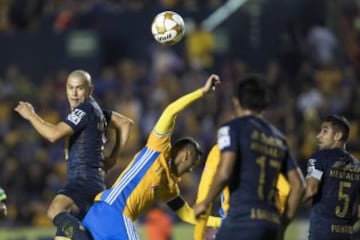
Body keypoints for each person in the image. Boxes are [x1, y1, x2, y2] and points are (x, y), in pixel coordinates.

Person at [77, 74, 222, 240]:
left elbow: (188, 215)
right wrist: (201, 92)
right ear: (187, 155)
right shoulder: (158, 148)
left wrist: (222, 222)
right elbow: (171, 111)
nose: (190, 171)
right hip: (114, 212)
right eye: (192, 165)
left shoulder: (169, 186)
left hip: (102, 214)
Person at [14, 69, 134, 239]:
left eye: (79, 88)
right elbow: (125, 123)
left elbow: (53, 134)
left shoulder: (84, 110)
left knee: (55, 210)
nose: (74, 93)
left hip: (83, 180)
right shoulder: (96, 111)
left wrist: (30, 115)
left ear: (90, 90)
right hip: (93, 182)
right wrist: (113, 157)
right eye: (71, 88)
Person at [194, 74, 305, 240]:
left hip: (241, 220)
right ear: (265, 104)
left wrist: (205, 202)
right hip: (270, 225)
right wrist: (282, 223)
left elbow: (224, 173)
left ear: (236, 101)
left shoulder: (231, 129)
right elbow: (299, 185)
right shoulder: (278, 138)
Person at [194, 144, 291, 240]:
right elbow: (286, 191)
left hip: (234, 223)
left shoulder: (220, 149)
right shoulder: (262, 149)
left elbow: (203, 198)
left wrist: (198, 238)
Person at [302, 115, 359, 240]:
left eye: (325, 131)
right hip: (346, 233)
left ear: (337, 136)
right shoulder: (357, 166)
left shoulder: (319, 157)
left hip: (322, 230)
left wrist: (288, 207)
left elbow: (311, 190)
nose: (318, 136)